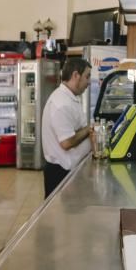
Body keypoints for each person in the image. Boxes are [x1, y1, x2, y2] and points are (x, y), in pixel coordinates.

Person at [41, 57, 94, 197]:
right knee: (59, 217)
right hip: (60, 172)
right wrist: (89, 129)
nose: (89, 82)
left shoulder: (69, 98)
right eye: (87, 76)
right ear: (76, 75)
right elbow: (67, 142)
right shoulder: (61, 103)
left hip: (69, 169)